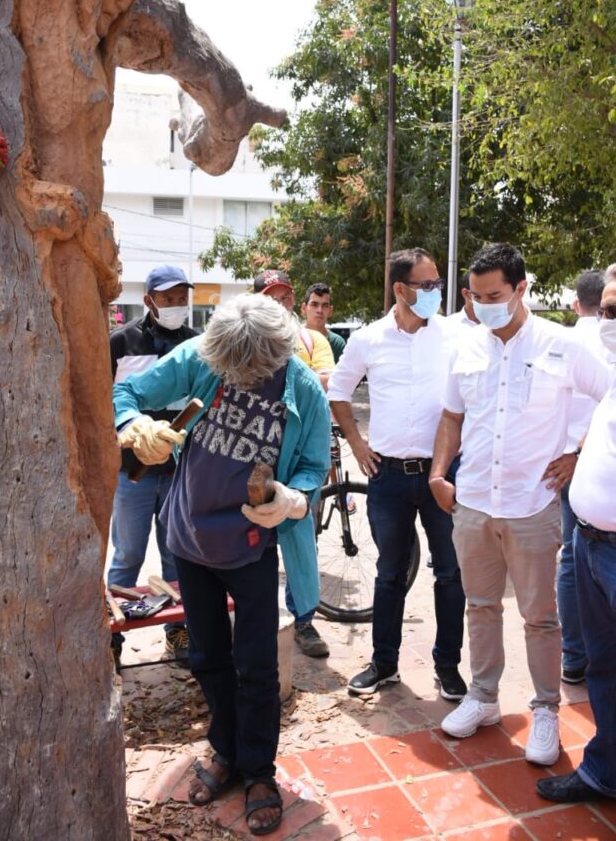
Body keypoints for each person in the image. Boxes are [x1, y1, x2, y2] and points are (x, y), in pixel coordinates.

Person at [113, 293, 330, 836]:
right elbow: (128, 390)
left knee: (256, 667)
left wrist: (295, 498)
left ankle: (259, 771)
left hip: (251, 549)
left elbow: (312, 466)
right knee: (207, 658)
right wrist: (133, 422)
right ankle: (226, 751)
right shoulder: (203, 355)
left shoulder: (303, 389)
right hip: (187, 539)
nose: (234, 378)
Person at [430, 243, 610, 766]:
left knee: (540, 615)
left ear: (521, 289)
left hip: (533, 505)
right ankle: (483, 697)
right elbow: (450, 418)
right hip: (475, 503)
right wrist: (440, 475)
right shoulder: (464, 348)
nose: (485, 304)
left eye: (496, 295)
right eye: (476, 296)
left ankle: (546, 709)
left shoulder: (563, 345)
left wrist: (576, 454)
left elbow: (611, 397)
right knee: (480, 606)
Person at [327, 247, 467, 700]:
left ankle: (448, 666)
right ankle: (384, 663)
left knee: (450, 572)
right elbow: (340, 392)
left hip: (442, 475)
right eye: (427, 285)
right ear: (400, 289)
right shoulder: (367, 339)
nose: (435, 292)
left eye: (438, 284)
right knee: (389, 573)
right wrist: (356, 442)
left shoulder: (453, 336)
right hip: (387, 476)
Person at [536, 274, 616, 803]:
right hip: (590, 542)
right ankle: (604, 772)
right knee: (604, 667)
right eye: (608, 311)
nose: (609, 325)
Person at [108, 264, 197, 667]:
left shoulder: (197, 344)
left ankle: (177, 632)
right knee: (127, 554)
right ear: (149, 301)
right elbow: (105, 402)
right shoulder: (120, 343)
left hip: (181, 473)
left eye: (182, 299)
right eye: (168, 299)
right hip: (133, 474)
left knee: (175, 555)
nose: (177, 305)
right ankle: (110, 639)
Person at [253, 270, 334, 658]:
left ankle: (303, 621)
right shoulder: (243, 342)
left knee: (300, 541)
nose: (280, 305)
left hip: (299, 455)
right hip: (252, 459)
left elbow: (324, 380)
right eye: (271, 298)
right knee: (250, 542)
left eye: (286, 298)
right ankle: (255, 623)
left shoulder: (311, 339)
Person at [558, 269, 607, 685]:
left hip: (569, 467)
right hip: (575, 473)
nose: (607, 324)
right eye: (607, 311)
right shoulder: (583, 346)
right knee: (575, 562)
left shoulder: (569, 342)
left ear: (576, 304)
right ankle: (578, 655)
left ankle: (575, 656)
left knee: (571, 564)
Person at [300, 282, 347, 363]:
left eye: (325, 305)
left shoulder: (337, 344)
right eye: (314, 304)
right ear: (304, 308)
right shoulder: (292, 338)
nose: (319, 310)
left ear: (330, 311)